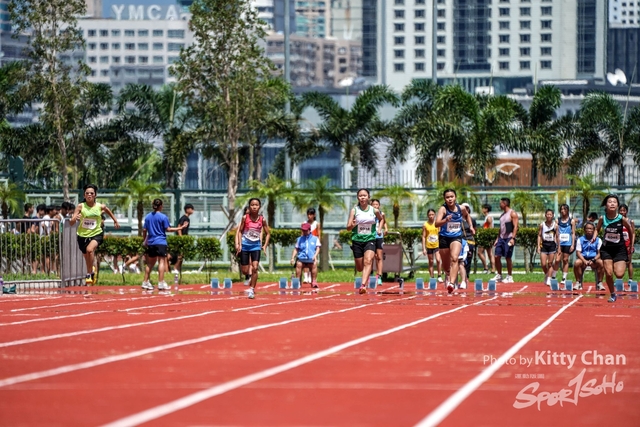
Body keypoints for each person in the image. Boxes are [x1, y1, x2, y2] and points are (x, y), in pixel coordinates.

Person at [70, 184, 120, 285]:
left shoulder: (100, 206)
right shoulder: (80, 206)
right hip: (82, 235)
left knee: (90, 250)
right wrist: (75, 218)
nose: (89, 195)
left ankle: (89, 273)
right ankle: (91, 270)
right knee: (86, 257)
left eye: (92, 193)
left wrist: (115, 220)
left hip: (96, 233)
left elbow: (107, 210)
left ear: (95, 195)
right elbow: (71, 222)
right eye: (87, 193)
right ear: (84, 195)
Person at [596, 194, 634, 302]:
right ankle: (613, 294)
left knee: (619, 274)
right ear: (606, 205)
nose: (612, 203)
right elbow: (596, 229)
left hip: (620, 249)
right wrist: (594, 236)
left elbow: (630, 230)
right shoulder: (602, 218)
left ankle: (615, 264)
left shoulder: (621, 219)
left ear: (617, 205)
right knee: (608, 273)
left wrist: (631, 245)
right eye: (610, 202)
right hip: (607, 249)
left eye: (614, 202)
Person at [435, 189, 475, 293]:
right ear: (444, 199)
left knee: (455, 258)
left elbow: (467, 215)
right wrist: (445, 220)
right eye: (447, 197)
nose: (450, 199)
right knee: (446, 266)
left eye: (451, 197)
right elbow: (436, 223)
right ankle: (449, 274)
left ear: (455, 197)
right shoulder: (443, 209)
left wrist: (471, 226)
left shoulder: (461, 208)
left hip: (456, 237)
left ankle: (452, 284)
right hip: (444, 238)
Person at [141, 198, 185, 291]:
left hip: (151, 242)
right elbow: (168, 229)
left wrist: (144, 240)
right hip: (161, 242)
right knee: (161, 262)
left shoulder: (148, 217)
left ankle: (145, 282)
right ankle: (161, 282)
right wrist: (180, 228)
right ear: (160, 206)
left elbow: (144, 230)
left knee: (150, 264)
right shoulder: (163, 217)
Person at [346, 188, 384, 295]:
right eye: (360, 196)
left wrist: (379, 229)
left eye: (364, 195)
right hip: (357, 240)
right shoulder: (354, 210)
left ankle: (363, 285)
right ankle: (364, 277)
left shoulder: (374, 210)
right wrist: (353, 224)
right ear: (358, 198)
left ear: (368, 197)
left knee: (368, 260)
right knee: (359, 267)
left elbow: (381, 219)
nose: (362, 197)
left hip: (370, 239)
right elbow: (348, 227)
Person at [234, 198, 271, 299]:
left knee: (255, 267)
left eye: (256, 205)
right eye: (252, 205)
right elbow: (240, 231)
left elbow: (268, 233)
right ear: (249, 206)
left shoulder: (262, 219)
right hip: (245, 246)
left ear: (259, 207)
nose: (254, 207)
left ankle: (252, 289)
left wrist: (265, 245)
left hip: (256, 246)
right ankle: (249, 279)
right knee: (245, 271)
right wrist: (240, 244)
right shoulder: (245, 218)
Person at [493, 197, 518, 283]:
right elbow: (501, 228)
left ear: (505, 204)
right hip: (501, 238)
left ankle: (509, 276)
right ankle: (499, 275)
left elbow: (515, 227)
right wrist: (497, 238)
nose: (499, 205)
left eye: (500, 203)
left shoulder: (512, 213)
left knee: (508, 257)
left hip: (509, 237)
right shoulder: (502, 215)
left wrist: (513, 238)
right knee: (497, 256)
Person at [573, 221, 603, 291]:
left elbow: (599, 253)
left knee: (601, 262)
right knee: (577, 263)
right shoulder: (580, 239)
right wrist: (584, 261)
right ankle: (578, 282)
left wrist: (593, 260)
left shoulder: (598, 240)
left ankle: (599, 283)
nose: (589, 230)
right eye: (587, 228)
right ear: (584, 230)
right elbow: (578, 252)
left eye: (591, 229)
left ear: (594, 230)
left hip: (594, 259)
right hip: (583, 259)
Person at [290, 222, 321, 288]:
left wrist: (315, 256)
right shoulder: (299, 239)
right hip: (302, 258)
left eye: (305, 230)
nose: (304, 232)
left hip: (311, 259)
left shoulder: (315, 239)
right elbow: (296, 249)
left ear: (309, 230)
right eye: (303, 230)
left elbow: (318, 248)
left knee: (314, 264)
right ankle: (298, 282)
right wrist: (292, 258)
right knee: (298, 264)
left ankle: (314, 281)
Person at [170, 203, 195, 274]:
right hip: (181, 239)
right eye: (191, 209)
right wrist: (181, 237)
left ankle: (178, 269)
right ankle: (175, 268)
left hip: (185, 238)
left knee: (182, 255)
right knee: (180, 254)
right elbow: (179, 227)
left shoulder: (187, 219)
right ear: (187, 210)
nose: (193, 211)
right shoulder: (183, 218)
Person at [555, 204, 576, 285]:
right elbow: (556, 233)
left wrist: (573, 244)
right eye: (561, 209)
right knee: (557, 260)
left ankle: (564, 278)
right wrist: (557, 244)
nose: (562, 211)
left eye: (564, 209)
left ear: (567, 210)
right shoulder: (557, 220)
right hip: (560, 243)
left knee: (565, 260)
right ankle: (553, 276)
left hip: (568, 243)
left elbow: (573, 233)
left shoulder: (572, 221)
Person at [537, 209, 559, 286]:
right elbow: (539, 235)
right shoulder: (542, 225)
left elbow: (557, 236)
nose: (549, 216)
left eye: (550, 214)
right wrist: (538, 246)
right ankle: (547, 274)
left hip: (552, 245)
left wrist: (558, 246)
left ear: (552, 216)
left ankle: (549, 279)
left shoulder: (555, 225)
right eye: (548, 214)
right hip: (544, 245)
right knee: (543, 264)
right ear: (545, 215)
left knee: (550, 263)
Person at [422, 208, 443, 283]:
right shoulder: (425, 225)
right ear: (427, 216)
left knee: (438, 260)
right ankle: (432, 277)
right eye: (429, 215)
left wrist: (441, 245)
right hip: (429, 246)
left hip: (437, 245)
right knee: (431, 261)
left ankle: (439, 275)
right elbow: (423, 236)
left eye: (432, 214)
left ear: (435, 215)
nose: (431, 216)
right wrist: (424, 248)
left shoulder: (437, 223)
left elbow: (440, 234)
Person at [370, 198, 388, 286]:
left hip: (379, 237)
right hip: (370, 237)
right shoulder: (368, 214)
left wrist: (386, 229)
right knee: (371, 257)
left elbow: (384, 221)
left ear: (379, 206)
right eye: (373, 204)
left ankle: (379, 276)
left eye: (377, 204)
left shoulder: (382, 214)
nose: (375, 206)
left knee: (379, 256)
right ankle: (370, 275)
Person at [302, 207, 320, 283]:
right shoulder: (304, 223)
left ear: (314, 215)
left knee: (312, 261)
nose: (309, 216)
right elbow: (302, 234)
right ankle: (305, 277)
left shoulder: (317, 224)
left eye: (311, 214)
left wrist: (318, 245)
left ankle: (311, 276)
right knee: (305, 260)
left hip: (313, 245)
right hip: (306, 244)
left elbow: (318, 235)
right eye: (308, 214)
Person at [619, 203, 635, 288]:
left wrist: (631, 244)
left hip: (628, 245)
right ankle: (619, 279)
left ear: (626, 211)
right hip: (619, 245)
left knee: (629, 262)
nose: (622, 212)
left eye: (624, 210)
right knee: (619, 262)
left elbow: (633, 233)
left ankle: (630, 279)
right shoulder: (617, 221)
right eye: (621, 210)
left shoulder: (630, 221)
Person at [460, 203, 477, 278]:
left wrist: (472, 230)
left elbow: (474, 230)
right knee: (461, 259)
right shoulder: (458, 218)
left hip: (469, 241)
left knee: (468, 259)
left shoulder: (472, 220)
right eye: (464, 208)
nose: (465, 209)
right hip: (461, 241)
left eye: (467, 208)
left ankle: (466, 276)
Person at [477, 203, 494, 274]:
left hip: (486, 238)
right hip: (487, 237)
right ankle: (492, 269)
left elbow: (490, 228)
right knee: (490, 253)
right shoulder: (487, 217)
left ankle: (486, 268)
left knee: (479, 252)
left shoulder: (489, 217)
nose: (482, 210)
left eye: (483, 208)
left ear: (486, 209)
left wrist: (489, 238)